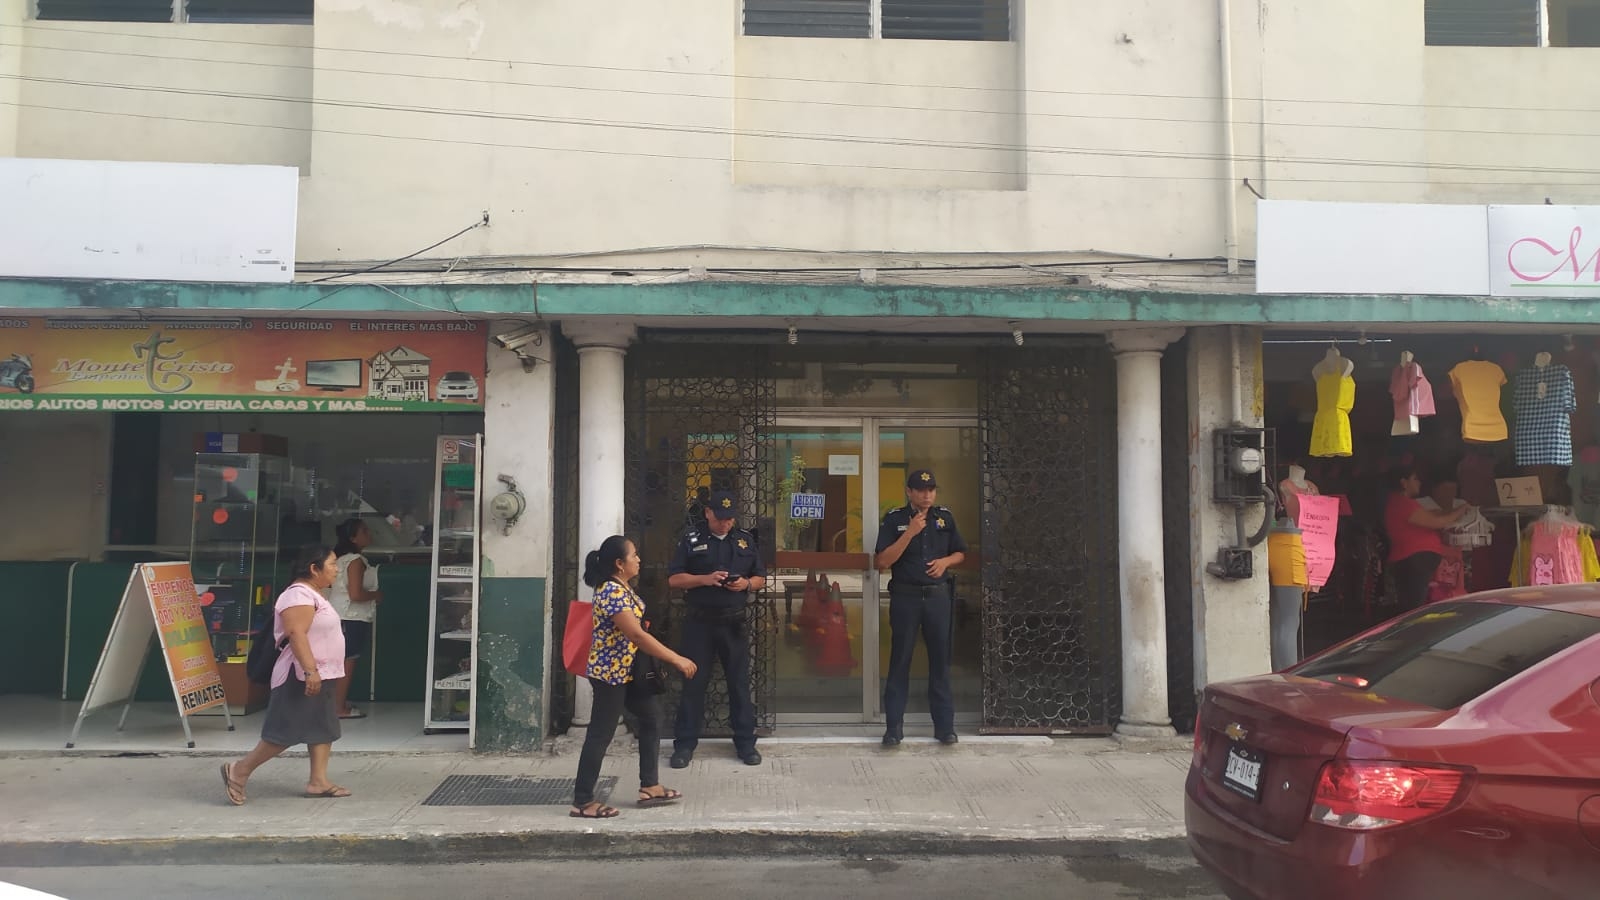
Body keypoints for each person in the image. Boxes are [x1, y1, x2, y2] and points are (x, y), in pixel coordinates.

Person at [570, 535, 698, 820]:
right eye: (634, 555)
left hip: (628, 672)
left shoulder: (621, 586)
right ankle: (582, 800)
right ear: (619, 564)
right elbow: (637, 634)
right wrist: (676, 658)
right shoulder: (611, 592)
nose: (638, 559)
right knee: (601, 734)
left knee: (651, 718)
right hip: (610, 675)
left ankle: (650, 785)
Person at [219, 544, 350, 805]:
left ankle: (318, 781)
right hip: (299, 674)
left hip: (322, 672)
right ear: (314, 568)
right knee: (283, 731)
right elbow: (296, 633)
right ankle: (239, 770)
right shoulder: (298, 595)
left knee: (322, 728)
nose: (337, 569)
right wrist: (309, 670)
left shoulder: (315, 595)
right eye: (333, 564)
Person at [667, 490, 767, 768]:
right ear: (708, 513)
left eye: (730, 519)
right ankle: (684, 745)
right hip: (700, 623)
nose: (725, 523)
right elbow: (674, 580)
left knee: (739, 684)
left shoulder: (745, 540)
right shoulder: (691, 539)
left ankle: (746, 744)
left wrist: (745, 584)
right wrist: (705, 579)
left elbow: (760, 577)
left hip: (733, 622)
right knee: (693, 683)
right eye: (721, 518)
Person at [874, 469, 967, 747]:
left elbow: (960, 551)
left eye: (931, 490)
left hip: (938, 598)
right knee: (900, 661)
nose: (927, 494)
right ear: (909, 491)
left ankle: (945, 727)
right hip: (906, 598)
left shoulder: (944, 518)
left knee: (940, 661)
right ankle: (894, 729)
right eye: (921, 490)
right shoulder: (894, 520)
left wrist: (946, 563)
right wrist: (910, 533)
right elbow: (882, 562)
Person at [1384, 466, 1471, 611]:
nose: (1419, 483)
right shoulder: (1403, 504)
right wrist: (1461, 509)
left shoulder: (1397, 503)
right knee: (1414, 605)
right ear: (1404, 483)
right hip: (1415, 558)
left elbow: (1433, 517)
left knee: (1411, 601)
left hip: (1410, 558)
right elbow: (1438, 522)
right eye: (1415, 479)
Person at [327, 518, 382, 720]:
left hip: (337, 615)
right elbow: (356, 594)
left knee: (338, 662)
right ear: (352, 538)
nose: (369, 534)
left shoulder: (338, 560)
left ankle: (335, 703)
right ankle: (339, 708)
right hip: (351, 616)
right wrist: (376, 595)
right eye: (364, 531)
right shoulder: (355, 561)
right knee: (347, 662)